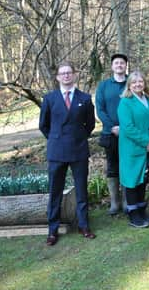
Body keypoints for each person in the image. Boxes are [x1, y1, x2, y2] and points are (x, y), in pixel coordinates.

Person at [39, 61, 96, 246]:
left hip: (78, 150)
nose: (66, 76)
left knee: (81, 191)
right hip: (56, 151)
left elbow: (90, 125)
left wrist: (78, 137)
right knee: (55, 191)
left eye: (69, 73)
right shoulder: (49, 99)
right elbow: (44, 125)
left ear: (74, 75)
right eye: (62, 73)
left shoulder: (85, 98)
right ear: (57, 77)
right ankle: (52, 230)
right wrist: (56, 138)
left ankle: (83, 225)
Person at [117, 71, 149, 228]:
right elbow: (127, 127)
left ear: (144, 83)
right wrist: (146, 142)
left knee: (142, 180)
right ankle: (133, 215)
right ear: (129, 85)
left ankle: (142, 211)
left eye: (140, 82)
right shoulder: (125, 102)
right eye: (134, 82)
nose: (137, 84)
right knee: (132, 181)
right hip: (133, 149)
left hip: (147, 149)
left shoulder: (146, 99)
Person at [95, 53, 128, 215]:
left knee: (128, 167)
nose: (119, 65)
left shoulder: (132, 82)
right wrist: (113, 126)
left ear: (125, 65)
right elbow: (99, 109)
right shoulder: (103, 86)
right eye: (116, 63)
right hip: (110, 134)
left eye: (122, 63)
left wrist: (125, 128)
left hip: (130, 134)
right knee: (112, 167)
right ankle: (115, 203)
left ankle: (127, 201)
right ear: (112, 66)